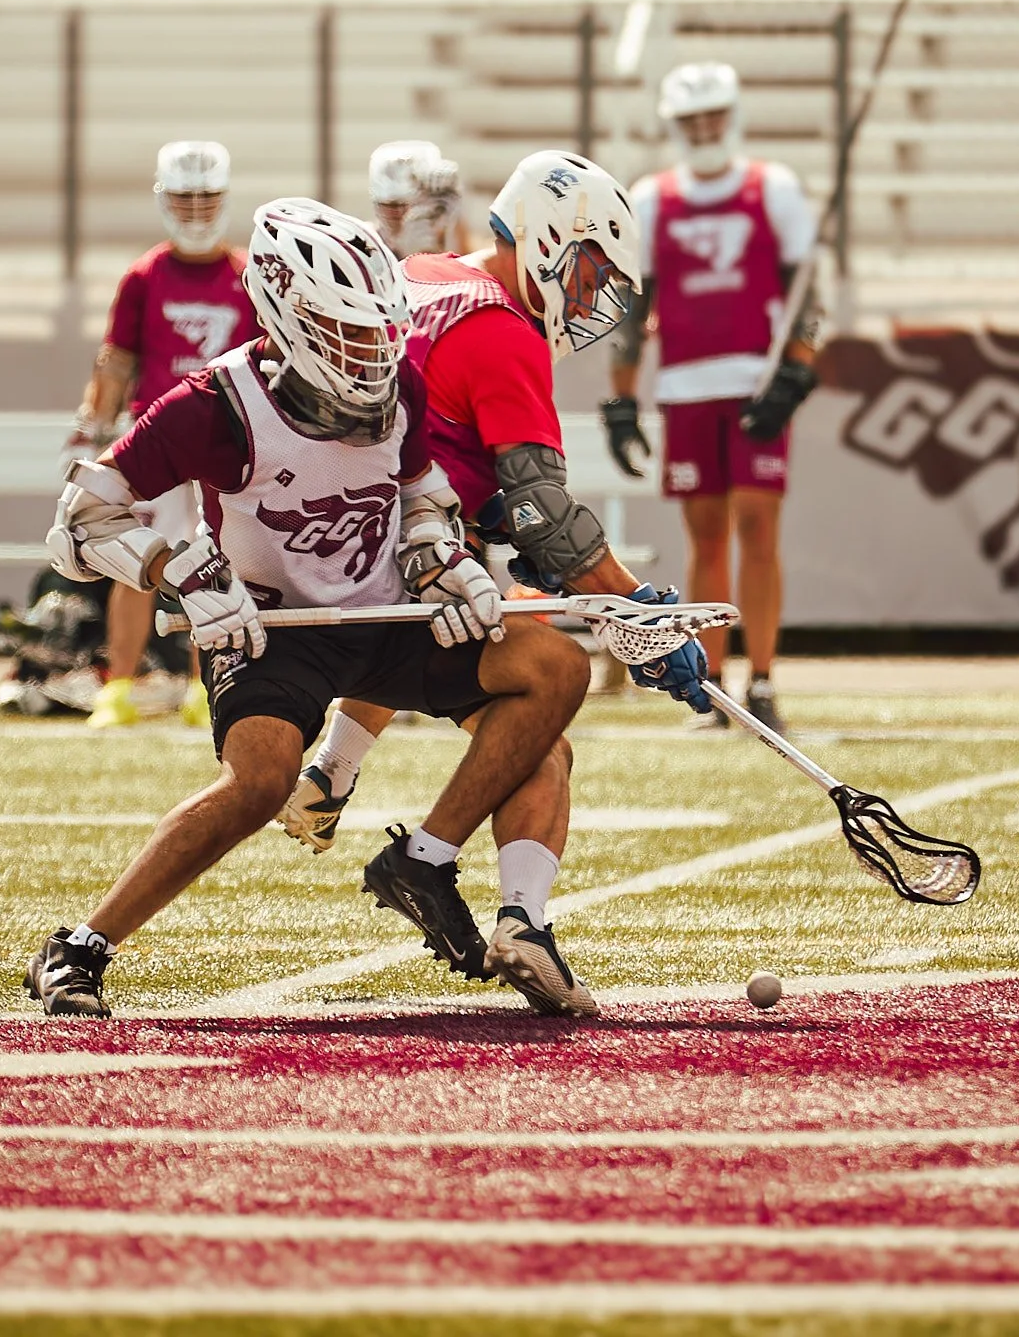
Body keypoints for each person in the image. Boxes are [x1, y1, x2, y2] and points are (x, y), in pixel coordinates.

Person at [25, 199, 595, 1021]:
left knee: (553, 673)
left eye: (379, 329)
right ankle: (80, 945)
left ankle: (466, 887)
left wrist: (446, 561)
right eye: (350, 331)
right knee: (260, 782)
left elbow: (422, 494)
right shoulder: (213, 405)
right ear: (288, 317)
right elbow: (77, 523)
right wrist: (179, 569)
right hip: (269, 628)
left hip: (383, 615)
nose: (374, 351)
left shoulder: (396, 378)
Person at [281, 151, 712, 1017]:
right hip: (409, 578)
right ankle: (434, 864)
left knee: (536, 731)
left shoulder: (418, 276)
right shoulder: (501, 330)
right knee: (553, 681)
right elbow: (544, 515)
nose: (594, 294)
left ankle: (513, 916)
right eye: (589, 267)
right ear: (551, 238)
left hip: (337, 560)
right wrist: (638, 610)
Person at [604, 63, 820, 734]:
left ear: (733, 116)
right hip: (686, 386)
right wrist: (622, 400)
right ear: (675, 126)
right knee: (705, 536)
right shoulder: (651, 198)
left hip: (753, 380)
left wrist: (796, 372)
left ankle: (762, 678)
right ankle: (715, 684)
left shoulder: (772, 187)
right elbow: (633, 310)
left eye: (713, 116)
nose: (703, 130)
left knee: (759, 527)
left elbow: (807, 291)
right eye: (691, 120)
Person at [65, 140, 260, 728]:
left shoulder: (249, 273)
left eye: (206, 198)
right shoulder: (145, 276)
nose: (196, 209)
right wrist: (92, 427)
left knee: (222, 564)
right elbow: (116, 360)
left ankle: (210, 687)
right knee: (134, 561)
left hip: (229, 435)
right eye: (184, 197)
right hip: (156, 439)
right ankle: (118, 686)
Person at [367, 139, 468, 257]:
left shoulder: (443, 233)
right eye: (390, 205)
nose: (398, 213)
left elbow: (468, 263)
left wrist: (455, 222)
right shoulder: (368, 240)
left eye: (406, 205)